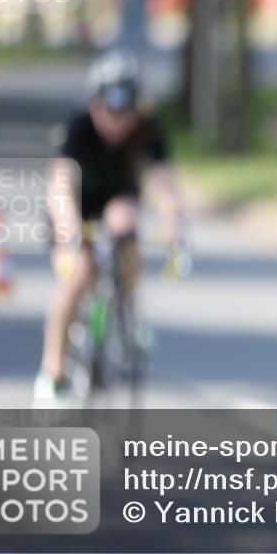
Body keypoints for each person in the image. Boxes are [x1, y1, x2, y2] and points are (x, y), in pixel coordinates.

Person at [34, 50, 184, 404]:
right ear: (94, 103)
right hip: (75, 209)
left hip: (117, 201)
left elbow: (164, 183)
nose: (117, 122)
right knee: (79, 276)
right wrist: (70, 235)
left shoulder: (148, 128)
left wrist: (174, 226)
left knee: (126, 225)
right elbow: (60, 186)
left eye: (126, 112)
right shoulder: (79, 127)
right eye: (108, 111)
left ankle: (129, 311)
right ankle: (52, 373)